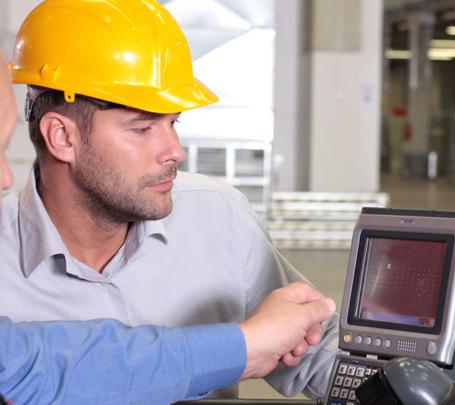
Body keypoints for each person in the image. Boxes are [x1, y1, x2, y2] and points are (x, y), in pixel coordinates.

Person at [0, 0, 340, 400]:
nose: (175, 150)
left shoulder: (218, 217)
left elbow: (314, 349)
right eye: (142, 128)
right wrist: (241, 346)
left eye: (173, 122)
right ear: (63, 137)